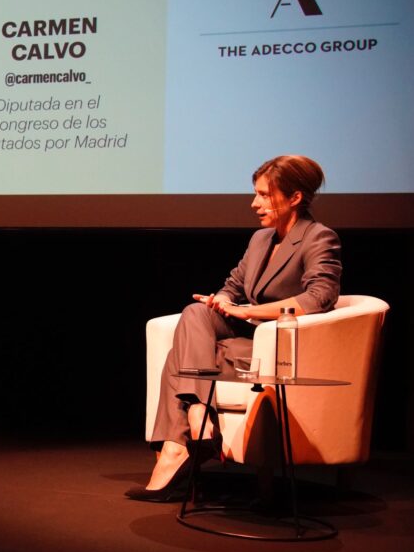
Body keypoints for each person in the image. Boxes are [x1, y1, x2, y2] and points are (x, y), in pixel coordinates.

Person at [126, 155, 342, 501]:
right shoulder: (260, 240)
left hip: (275, 345)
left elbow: (320, 297)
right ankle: (199, 415)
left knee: (176, 360)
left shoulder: (319, 237)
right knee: (196, 312)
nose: (254, 203)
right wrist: (220, 301)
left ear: (295, 198)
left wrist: (248, 312)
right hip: (242, 338)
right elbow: (234, 286)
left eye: (264, 195)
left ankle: (175, 451)